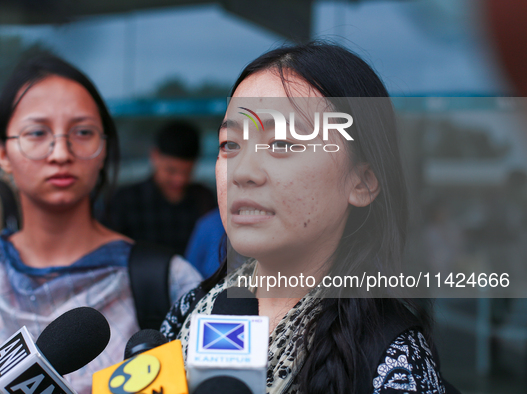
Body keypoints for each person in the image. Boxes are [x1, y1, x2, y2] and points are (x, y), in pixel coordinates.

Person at [161, 42, 452, 393]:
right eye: (230, 145)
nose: (242, 172)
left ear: (361, 181)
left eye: (282, 143)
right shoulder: (193, 311)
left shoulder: (393, 360)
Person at [0, 55, 201, 394]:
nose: (61, 152)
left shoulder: (167, 279)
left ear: (104, 147)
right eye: (36, 132)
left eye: (83, 132)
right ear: (1, 152)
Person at [107, 120, 217, 254]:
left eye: (187, 172)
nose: (179, 180)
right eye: (171, 171)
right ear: (154, 156)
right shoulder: (126, 201)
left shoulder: (203, 198)